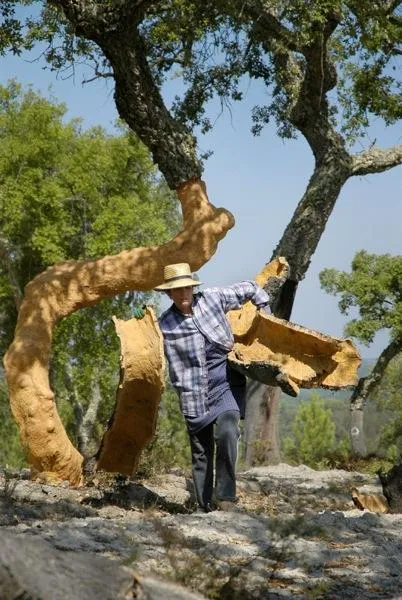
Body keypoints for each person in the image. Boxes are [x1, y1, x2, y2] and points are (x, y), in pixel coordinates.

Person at [143, 262, 270, 512]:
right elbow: (147, 350)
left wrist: (268, 319)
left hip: (225, 380)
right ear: (168, 294)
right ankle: (204, 506)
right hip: (193, 392)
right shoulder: (164, 326)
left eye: (187, 288)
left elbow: (253, 289)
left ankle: (225, 498)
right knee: (201, 452)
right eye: (177, 291)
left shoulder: (212, 299)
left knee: (227, 431)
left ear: (193, 287)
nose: (183, 295)